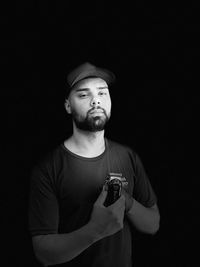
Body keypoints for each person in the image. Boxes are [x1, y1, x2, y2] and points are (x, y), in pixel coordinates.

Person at [29, 62, 160, 267]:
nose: (96, 101)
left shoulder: (127, 156)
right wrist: (96, 229)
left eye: (102, 93)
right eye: (83, 95)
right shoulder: (48, 169)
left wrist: (128, 202)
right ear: (67, 105)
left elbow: (153, 224)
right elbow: (43, 252)